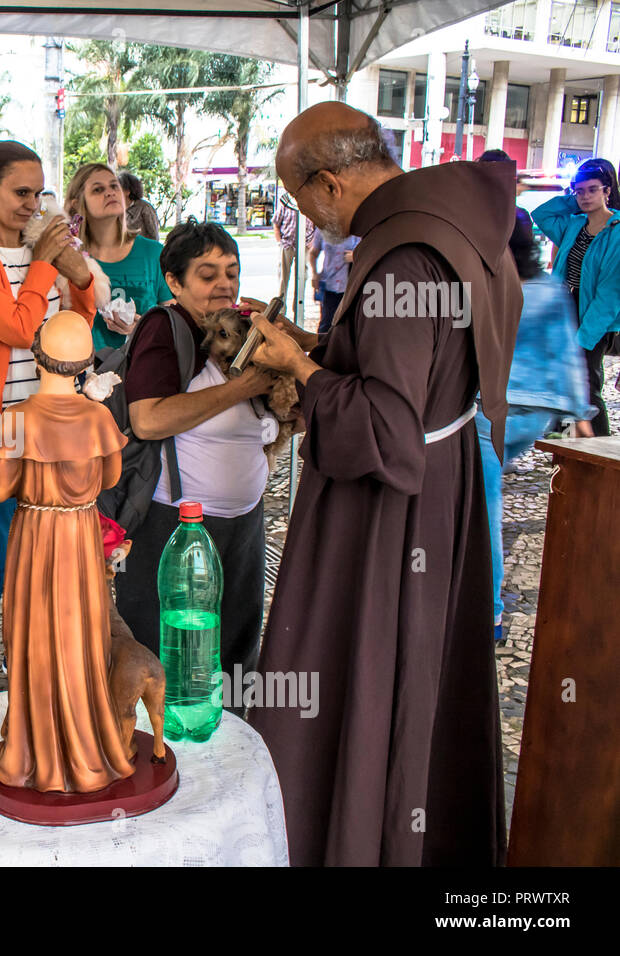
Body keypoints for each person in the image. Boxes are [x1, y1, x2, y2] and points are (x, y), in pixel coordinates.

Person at [246, 102, 518, 866]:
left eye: (303, 203)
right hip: (443, 483)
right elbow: (414, 372)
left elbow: (388, 429)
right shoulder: (451, 220)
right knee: (418, 679)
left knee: (367, 676)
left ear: (330, 183)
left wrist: (299, 370)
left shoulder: (402, 259)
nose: (309, 218)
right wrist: (321, 346)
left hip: (391, 513)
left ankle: (357, 831)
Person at [0, 140, 96, 696]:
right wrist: (41, 267)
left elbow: (79, 326)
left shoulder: (46, 251)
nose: (33, 204)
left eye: (38, 193)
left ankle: (39, 661)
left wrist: (75, 272)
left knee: (55, 556)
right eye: (20, 192)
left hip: (53, 427)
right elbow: (14, 326)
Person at [116, 220, 276, 691]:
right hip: (176, 524)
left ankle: (232, 746)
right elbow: (148, 419)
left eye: (231, 271)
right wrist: (241, 389)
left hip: (243, 523)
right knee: (169, 649)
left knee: (235, 647)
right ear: (174, 281)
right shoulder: (166, 331)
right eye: (207, 275)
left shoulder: (242, 329)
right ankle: (160, 749)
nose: (224, 284)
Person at [0, 310, 134, 792]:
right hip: (81, 536)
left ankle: (32, 746)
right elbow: (111, 479)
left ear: (36, 355)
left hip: (35, 536)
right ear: (85, 363)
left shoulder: (15, 419)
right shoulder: (99, 417)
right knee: (83, 637)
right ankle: (87, 741)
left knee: (34, 636)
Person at [475, 209, 594, 642]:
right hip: (537, 417)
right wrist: (580, 416)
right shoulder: (549, 289)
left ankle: (490, 614)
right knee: (481, 503)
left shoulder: (489, 291)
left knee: (485, 512)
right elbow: (569, 351)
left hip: (490, 417)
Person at [531, 157, 620, 437]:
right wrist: (574, 200)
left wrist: (582, 339)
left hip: (592, 314)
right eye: (579, 190)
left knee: (586, 387)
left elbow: (610, 295)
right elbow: (542, 215)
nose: (584, 196)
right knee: (562, 382)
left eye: (592, 189)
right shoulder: (574, 224)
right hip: (564, 308)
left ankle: (600, 455)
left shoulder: (616, 232)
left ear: (608, 190)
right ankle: (568, 448)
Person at [67, 162, 172, 351]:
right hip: (83, 372)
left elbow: (174, 322)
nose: (110, 192)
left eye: (114, 186)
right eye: (98, 189)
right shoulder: (69, 258)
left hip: (141, 369)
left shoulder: (154, 253)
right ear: (77, 204)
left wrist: (140, 328)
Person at [309, 227, 359, 334]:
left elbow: (369, 254)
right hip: (329, 284)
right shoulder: (323, 229)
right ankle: (323, 349)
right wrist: (314, 273)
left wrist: (356, 256)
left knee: (348, 325)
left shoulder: (356, 231)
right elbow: (313, 253)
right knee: (326, 323)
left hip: (349, 287)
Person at [120, 171, 160, 240]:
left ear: (127, 191)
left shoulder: (144, 207)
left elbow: (154, 235)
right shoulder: (117, 209)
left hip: (144, 249)